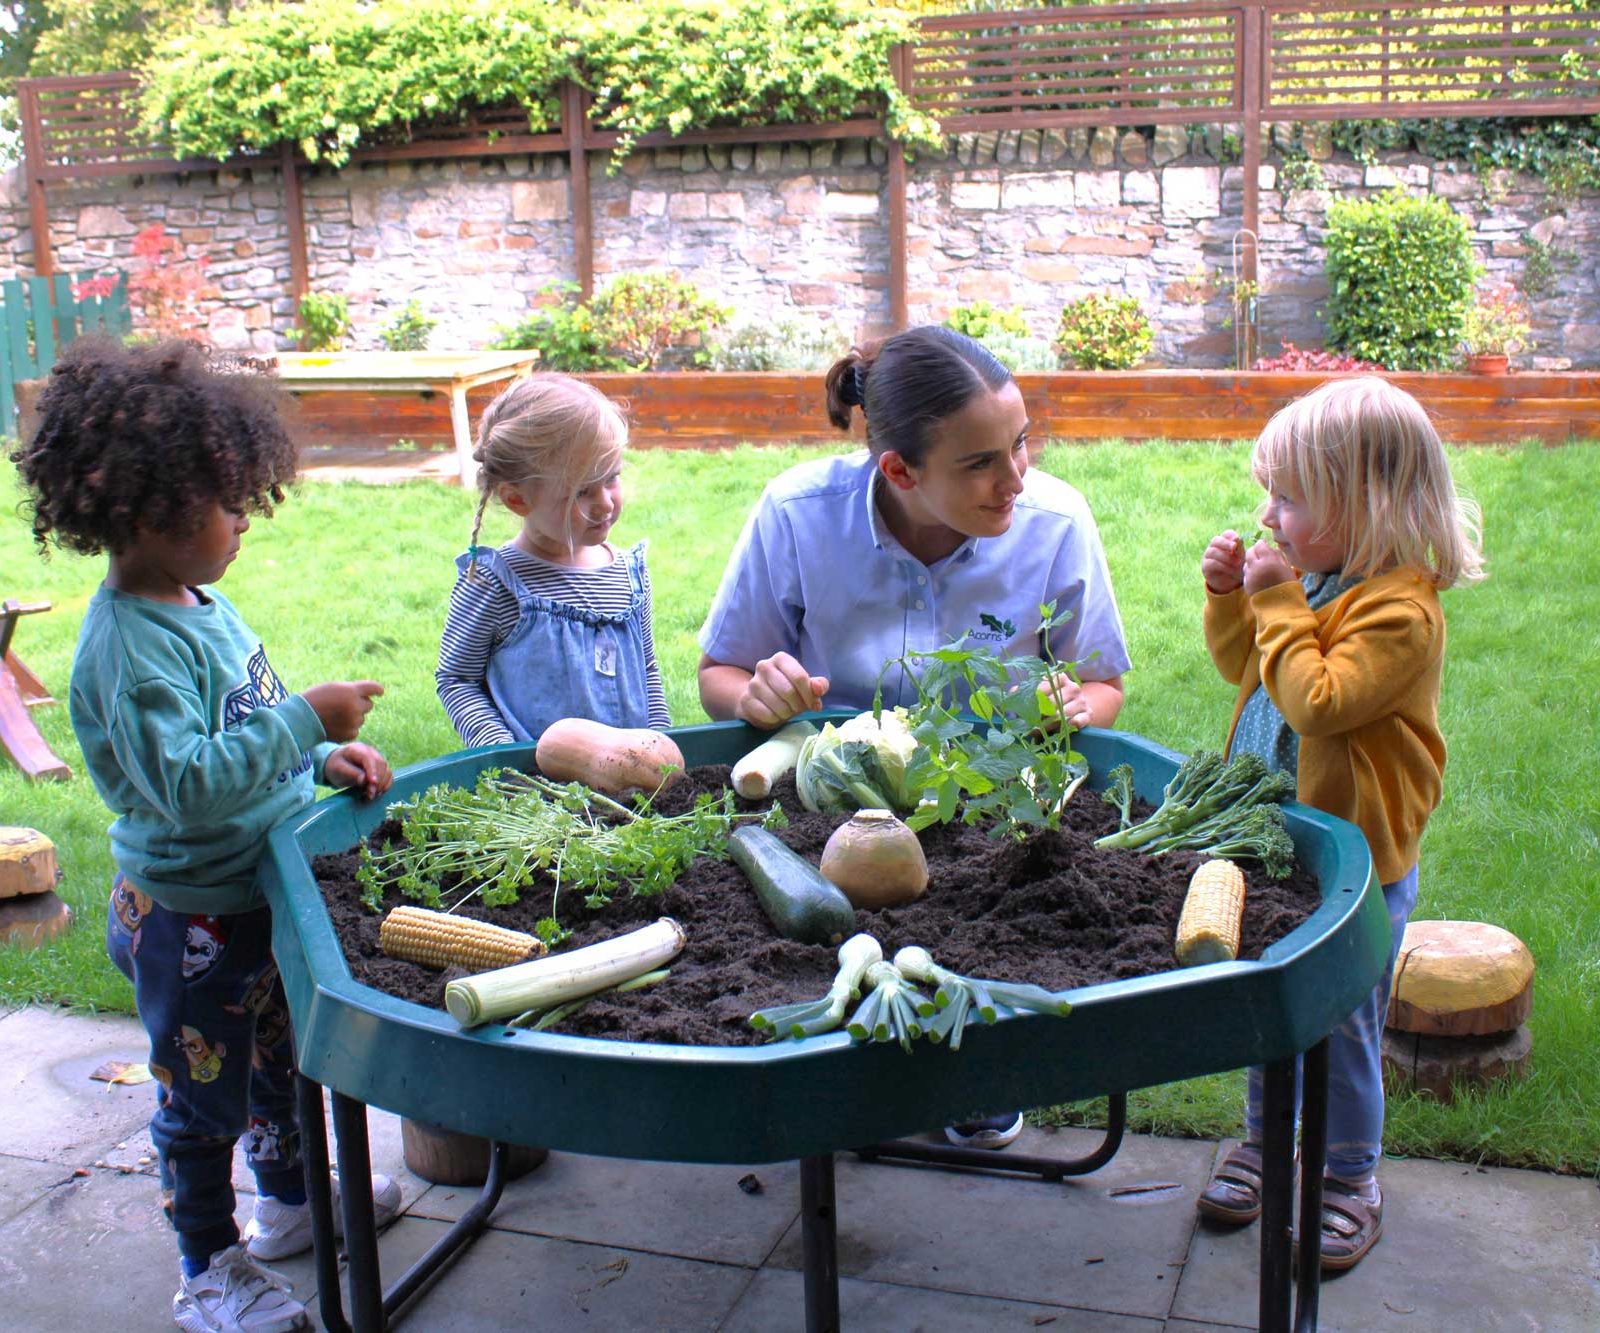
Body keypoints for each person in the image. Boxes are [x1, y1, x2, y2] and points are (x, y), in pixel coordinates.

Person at [10, 337, 402, 1333]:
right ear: (149, 512)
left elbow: (239, 737)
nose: (243, 523)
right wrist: (307, 720)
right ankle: (208, 1269)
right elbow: (186, 787)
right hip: (187, 925)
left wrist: (315, 761)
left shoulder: (199, 604)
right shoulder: (128, 652)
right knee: (200, 1106)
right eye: (229, 504)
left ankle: (287, 1204)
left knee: (279, 1063)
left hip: (253, 896)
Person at [699, 324, 1132, 1147]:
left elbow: (1103, 685)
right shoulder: (798, 513)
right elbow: (721, 673)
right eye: (981, 463)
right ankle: (841, 1078)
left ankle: (972, 1074)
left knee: (989, 919)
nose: (1017, 479)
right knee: (822, 935)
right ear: (898, 469)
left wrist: (1073, 707)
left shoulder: (1057, 522)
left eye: (1022, 444)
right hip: (827, 809)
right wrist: (758, 695)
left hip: (985, 805)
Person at [1194, 376, 1485, 1271]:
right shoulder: (1320, 574)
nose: (1268, 513)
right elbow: (1253, 667)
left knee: (1342, 1022)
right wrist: (1234, 602)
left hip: (1356, 861)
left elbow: (1319, 702)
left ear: (1365, 501)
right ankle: (1263, 1140)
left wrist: (1280, 602)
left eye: (1288, 496)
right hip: (1281, 843)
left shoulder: (1402, 610)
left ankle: (1350, 1175)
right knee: (1270, 1003)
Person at [437, 374, 669, 747]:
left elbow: (647, 670)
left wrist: (661, 743)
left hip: (631, 786)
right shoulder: (496, 583)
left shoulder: (629, 575)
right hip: (538, 794)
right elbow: (457, 679)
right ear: (518, 500)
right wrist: (504, 756)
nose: (606, 502)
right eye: (582, 491)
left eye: (612, 478)